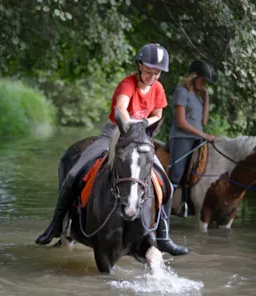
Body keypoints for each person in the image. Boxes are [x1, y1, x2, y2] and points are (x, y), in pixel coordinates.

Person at [35, 43, 188, 256]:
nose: (152, 76)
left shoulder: (158, 89)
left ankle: (163, 236)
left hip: (141, 139)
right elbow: (120, 109)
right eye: (148, 71)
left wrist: (142, 127)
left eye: (157, 73)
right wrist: (132, 127)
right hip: (114, 134)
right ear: (139, 66)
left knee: (166, 185)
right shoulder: (128, 84)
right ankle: (56, 225)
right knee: (73, 174)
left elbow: (158, 115)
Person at [168, 60, 216, 191]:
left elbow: (204, 121)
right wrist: (204, 135)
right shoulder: (181, 91)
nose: (204, 84)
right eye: (203, 80)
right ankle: (165, 207)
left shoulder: (198, 97)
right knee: (177, 174)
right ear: (194, 76)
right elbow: (181, 122)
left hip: (197, 139)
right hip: (181, 138)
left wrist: (206, 99)